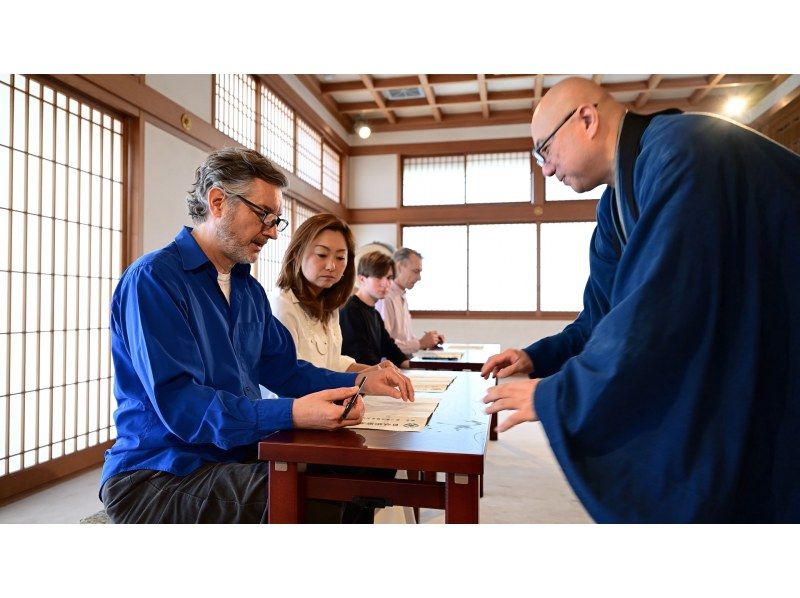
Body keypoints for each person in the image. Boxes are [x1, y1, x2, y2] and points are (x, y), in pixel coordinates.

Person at [481, 77, 800, 523]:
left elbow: (659, 308)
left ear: (586, 119)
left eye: (544, 151)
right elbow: (601, 315)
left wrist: (562, 395)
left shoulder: (686, 149)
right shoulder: (614, 205)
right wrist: (537, 359)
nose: (547, 170)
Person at [100, 147, 411, 524]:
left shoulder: (247, 290)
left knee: (362, 471)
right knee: (311, 495)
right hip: (159, 471)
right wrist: (293, 412)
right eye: (263, 214)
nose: (270, 231)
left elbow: (286, 370)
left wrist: (360, 380)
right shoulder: (154, 279)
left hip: (236, 453)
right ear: (217, 201)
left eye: (276, 220)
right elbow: (183, 405)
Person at [340, 251, 410, 369]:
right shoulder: (350, 310)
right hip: (356, 381)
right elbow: (361, 358)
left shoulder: (375, 314)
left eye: (389, 278)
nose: (385, 283)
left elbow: (390, 349)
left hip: (372, 376)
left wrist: (415, 365)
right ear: (362, 279)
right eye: (378, 277)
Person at [376, 247, 445, 355]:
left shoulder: (401, 295)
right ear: (398, 267)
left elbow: (405, 339)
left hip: (404, 362)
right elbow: (385, 344)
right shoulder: (386, 297)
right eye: (415, 271)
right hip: (391, 366)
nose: (419, 278)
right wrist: (420, 343)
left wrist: (429, 341)